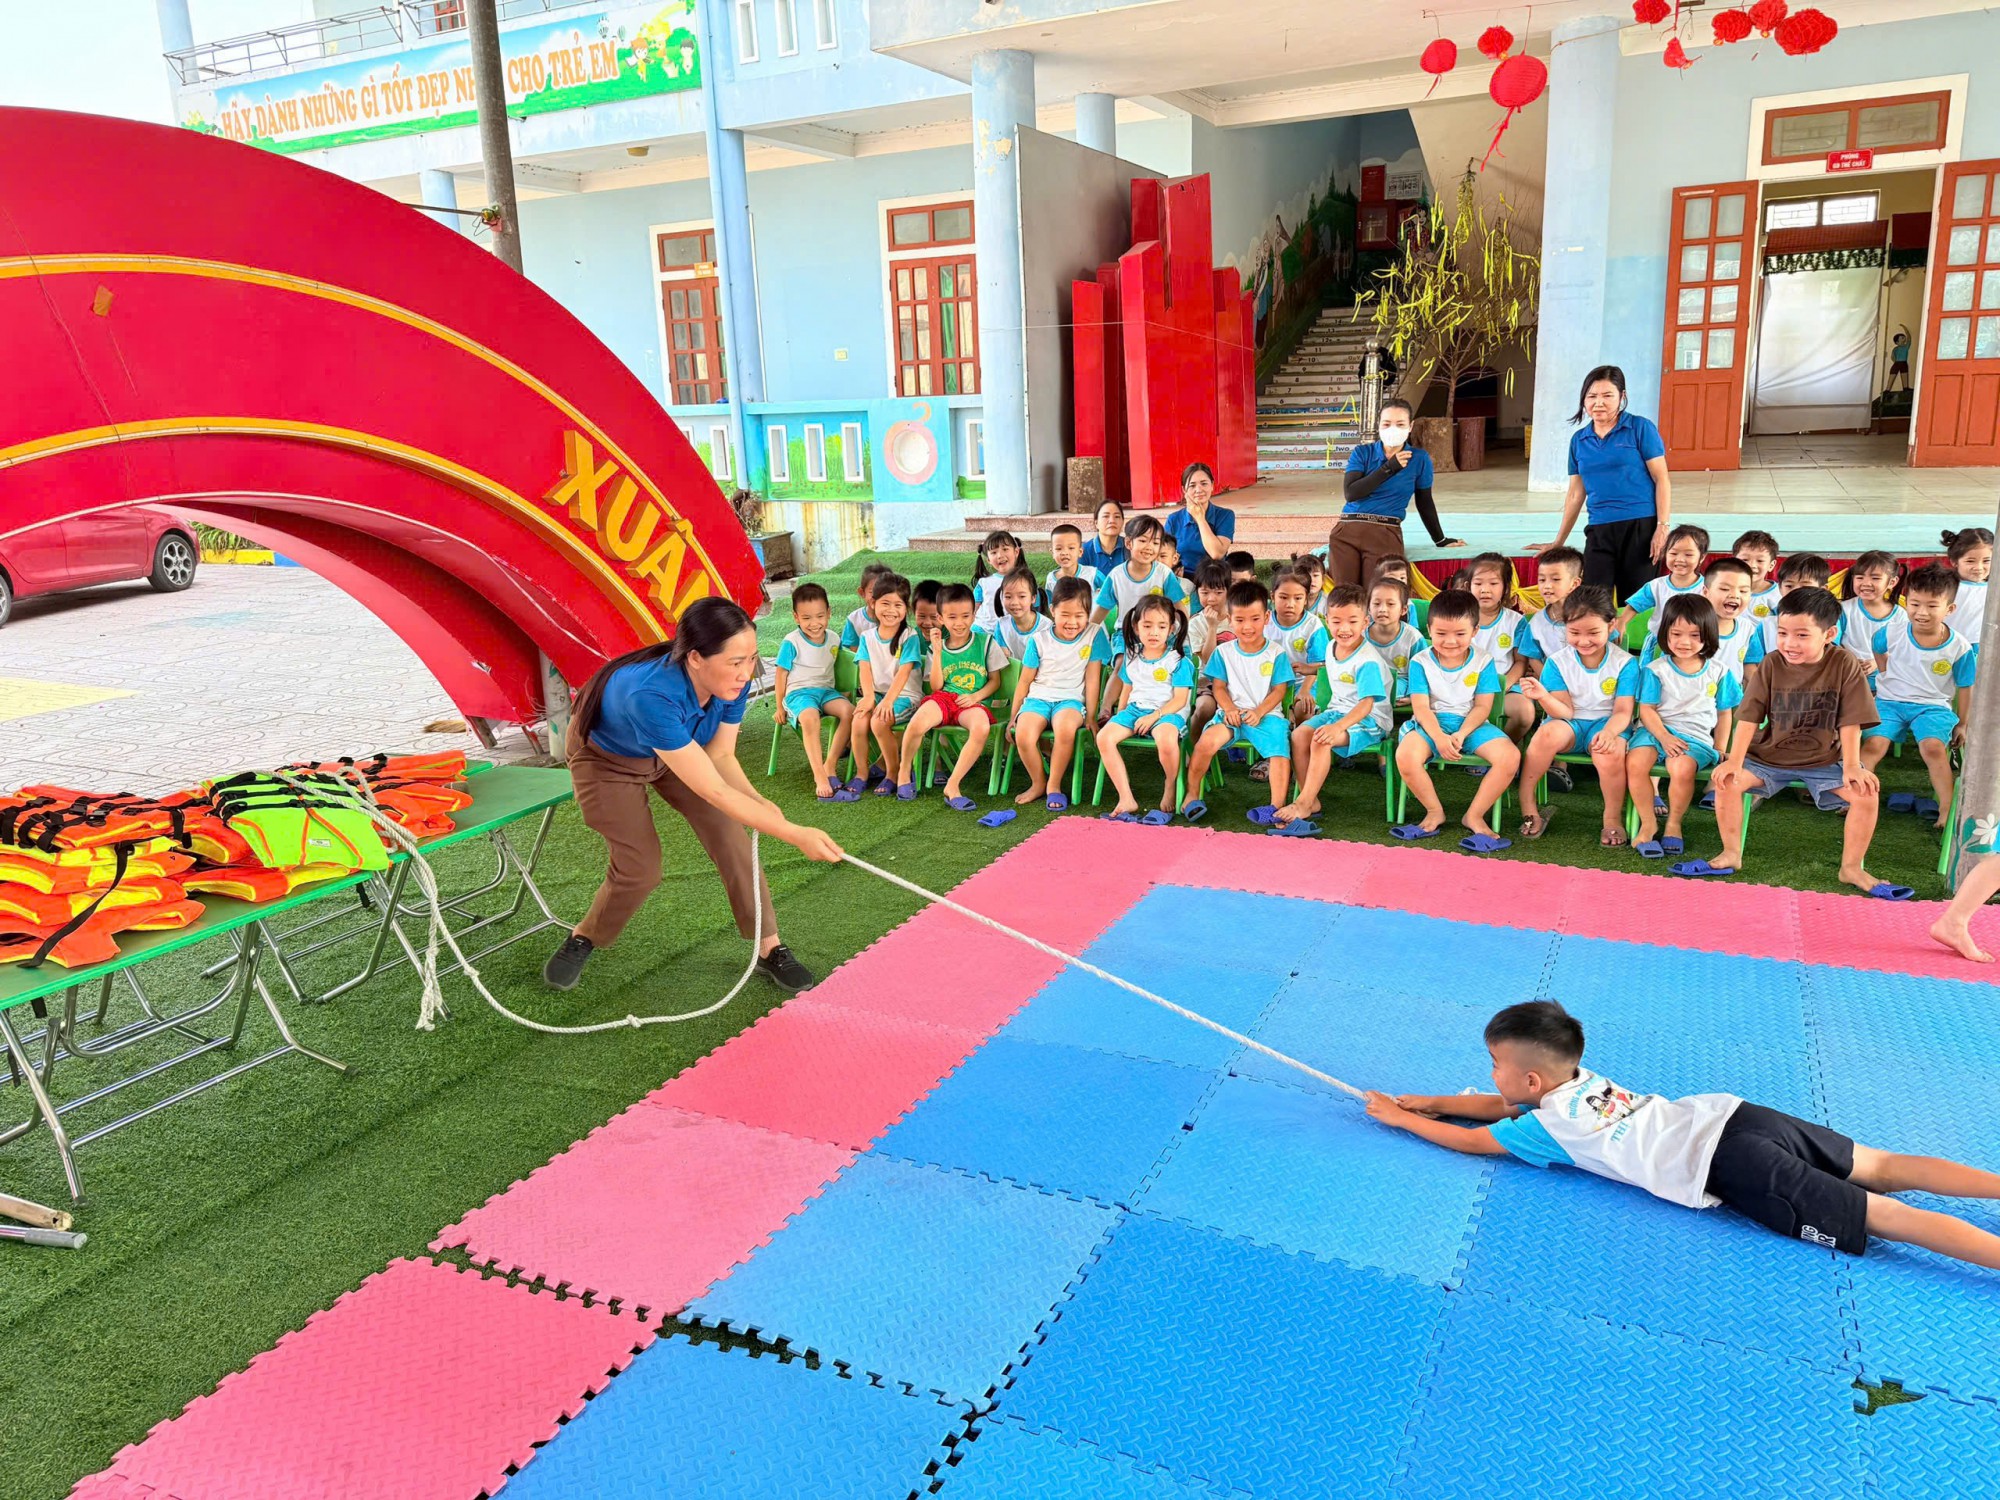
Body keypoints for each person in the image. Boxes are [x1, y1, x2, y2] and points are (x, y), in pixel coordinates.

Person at [1365, 1001, 2000, 1272]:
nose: (1490, 1076)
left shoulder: (1550, 1128)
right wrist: (1433, 1101)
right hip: (1737, 1117)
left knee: (1889, 1217)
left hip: (1729, 1162)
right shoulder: (1579, 1080)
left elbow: (1478, 1139)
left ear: (1532, 1078)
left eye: (1493, 1064)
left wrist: (1402, 1120)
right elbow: (1500, 1106)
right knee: (1883, 1166)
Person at [542, 597, 843, 993]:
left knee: (731, 835)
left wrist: (756, 799)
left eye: (752, 659)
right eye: (735, 661)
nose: (746, 672)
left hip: (680, 750)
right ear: (696, 658)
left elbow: (720, 756)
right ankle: (585, 936)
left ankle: (768, 946)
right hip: (607, 760)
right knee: (640, 868)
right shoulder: (650, 695)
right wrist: (795, 834)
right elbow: (712, 788)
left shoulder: (731, 681)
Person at [1674, 587, 1900, 898]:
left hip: (1824, 760)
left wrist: (1852, 766)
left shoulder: (1844, 663)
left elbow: (1851, 722)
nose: (1789, 643)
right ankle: (1730, 854)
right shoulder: (1770, 663)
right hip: (1769, 757)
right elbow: (1748, 719)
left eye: (1801, 635)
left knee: (1866, 793)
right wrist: (1734, 761)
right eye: (1782, 633)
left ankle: (1851, 868)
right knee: (1726, 781)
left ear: (1829, 634)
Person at [1393, 588, 1520, 852]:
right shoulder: (1420, 662)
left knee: (1510, 757)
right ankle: (1434, 811)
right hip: (1431, 723)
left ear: (1475, 631)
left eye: (1460, 634)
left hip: (1472, 724)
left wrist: (1461, 733)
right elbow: (1421, 707)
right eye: (1441, 633)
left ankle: (1474, 815)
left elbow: (1483, 706)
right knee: (1405, 755)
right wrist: (1439, 737)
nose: (1450, 641)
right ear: (1429, 629)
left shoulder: (1484, 661)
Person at [1536, 365, 1673, 602]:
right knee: (1594, 601)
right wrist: (1559, 541)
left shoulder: (1640, 428)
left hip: (1640, 527)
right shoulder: (1579, 440)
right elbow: (1575, 494)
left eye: (1607, 395)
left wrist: (1662, 526)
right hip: (1599, 529)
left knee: (1636, 602)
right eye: (1592, 396)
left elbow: (1661, 479)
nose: (1598, 403)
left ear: (1622, 396)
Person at [1516, 586, 1639, 846]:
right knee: (1545, 734)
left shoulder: (1625, 663)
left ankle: (1612, 818)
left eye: (1593, 632)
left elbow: (1623, 711)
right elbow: (1564, 711)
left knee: (1609, 751)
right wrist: (1543, 696)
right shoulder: (1557, 662)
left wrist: (1609, 733)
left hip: (1607, 724)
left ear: (1611, 625)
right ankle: (1528, 808)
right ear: (1565, 627)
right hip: (1568, 723)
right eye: (1574, 633)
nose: (1583, 641)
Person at [1862, 562, 1976, 832]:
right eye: (1914, 604)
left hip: (1932, 708)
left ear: (1949, 609)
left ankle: (1946, 808)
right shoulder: (1892, 631)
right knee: (1873, 745)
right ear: (1907, 602)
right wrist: (1884, 672)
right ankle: (1856, 799)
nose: (1921, 612)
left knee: (1933, 749)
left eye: (1932, 605)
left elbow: (1966, 686)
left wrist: (1963, 723)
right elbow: (1878, 647)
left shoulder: (1959, 647)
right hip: (1889, 702)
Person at [1627, 593, 1741, 858]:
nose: (1684, 642)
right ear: (1665, 633)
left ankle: (1674, 824)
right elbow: (1647, 710)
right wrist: (1664, 737)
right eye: (1676, 634)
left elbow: (1725, 713)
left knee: (1682, 768)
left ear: (1708, 636)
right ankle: (1648, 823)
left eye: (1694, 635)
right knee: (1635, 763)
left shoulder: (1719, 671)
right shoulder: (1656, 669)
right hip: (1654, 731)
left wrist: (1720, 747)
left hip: (1694, 737)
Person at [1275, 584, 1392, 829]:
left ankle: (1303, 803)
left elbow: (1366, 704)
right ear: (1327, 620)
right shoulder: (1331, 646)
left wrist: (1337, 727)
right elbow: (1334, 667)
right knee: (1298, 735)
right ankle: (1310, 799)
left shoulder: (1368, 661)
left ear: (1365, 622)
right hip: (1338, 712)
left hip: (1370, 720)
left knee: (1321, 739)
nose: (1344, 628)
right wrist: (1310, 669)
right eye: (1337, 621)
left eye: (1352, 621)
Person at [1183, 579, 1294, 823]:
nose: (1247, 626)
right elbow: (1218, 687)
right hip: (1230, 715)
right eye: (1240, 620)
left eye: (1255, 619)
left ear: (1266, 617)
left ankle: (1277, 807)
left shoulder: (1276, 653)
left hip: (1266, 716)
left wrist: (1259, 711)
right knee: (1205, 743)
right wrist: (1229, 708)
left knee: (1279, 752)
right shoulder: (1223, 652)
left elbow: (1279, 691)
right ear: (1230, 620)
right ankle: (1191, 795)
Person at [1328, 398, 1463, 590]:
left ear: (1410, 426)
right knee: (1344, 595)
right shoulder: (1362, 452)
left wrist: (1439, 539)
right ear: (1379, 425)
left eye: (1400, 424)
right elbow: (1351, 493)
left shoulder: (1419, 458)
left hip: (1385, 531)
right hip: (1347, 529)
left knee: (1379, 593)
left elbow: (1424, 501)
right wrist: (1389, 468)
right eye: (1386, 424)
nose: (1393, 429)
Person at [897, 583, 1009, 808]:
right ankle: (903, 772)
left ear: (974, 614)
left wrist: (976, 697)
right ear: (940, 618)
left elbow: (995, 681)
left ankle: (953, 785)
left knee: (981, 727)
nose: (960, 623)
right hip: (944, 697)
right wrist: (938, 652)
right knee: (917, 723)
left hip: (972, 700)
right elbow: (936, 686)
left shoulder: (985, 642)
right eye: (952, 617)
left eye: (966, 616)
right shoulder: (936, 647)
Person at [1096, 596, 1197, 826]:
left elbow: (1180, 700)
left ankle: (1170, 784)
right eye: (1147, 625)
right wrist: (1120, 716)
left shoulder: (1178, 660)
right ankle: (1126, 798)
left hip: (1168, 712)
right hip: (1135, 710)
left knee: (1166, 739)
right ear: (1136, 627)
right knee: (1104, 737)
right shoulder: (1131, 656)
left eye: (1161, 626)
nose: (1154, 632)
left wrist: (1154, 716)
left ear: (1171, 629)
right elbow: (1127, 689)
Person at [1010, 577, 1108, 810]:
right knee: (1023, 735)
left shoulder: (1094, 634)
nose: (1072, 622)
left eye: (1079, 615)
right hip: (1038, 698)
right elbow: (1025, 681)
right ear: (1053, 610)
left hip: (1071, 700)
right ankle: (1038, 783)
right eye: (1065, 614)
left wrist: (1091, 715)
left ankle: (1054, 786)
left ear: (1088, 613)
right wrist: (1014, 715)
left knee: (1065, 730)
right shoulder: (1039, 640)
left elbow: (1092, 679)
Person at [771, 583, 857, 803]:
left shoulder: (834, 638)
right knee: (810, 717)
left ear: (829, 613)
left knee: (850, 712)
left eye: (819, 616)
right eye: (806, 618)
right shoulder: (791, 641)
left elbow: (841, 668)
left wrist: (844, 694)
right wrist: (779, 706)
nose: (814, 623)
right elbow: (780, 675)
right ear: (796, 617)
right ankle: (820, 777)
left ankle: (830, 765)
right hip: (798, 694)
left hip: (826, 692)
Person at [850, 574, 921, 796]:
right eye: (885, 603)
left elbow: (904, 672)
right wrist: (868, 697)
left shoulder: (909, 636)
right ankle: (862, 773)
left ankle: (892, 772)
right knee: (858, 720)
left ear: (906, 608)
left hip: (905, 697)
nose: (891, 610)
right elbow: (864, 669)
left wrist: (888, 701)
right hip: (879, 695)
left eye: (898, 605)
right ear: (873, 603)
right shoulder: (867, 637)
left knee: (879, 722)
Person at [1467, 553, 1531, 743]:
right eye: (1478, 583)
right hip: (1466, 687)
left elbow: (1520, 662)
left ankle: (1501, 746)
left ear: (1505, 588)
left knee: (1524, 713)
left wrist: (1503, 686)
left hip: (1505, 687)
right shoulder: (1460, 618)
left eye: (1493, 583)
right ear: (1468, 586)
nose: (1485, 590)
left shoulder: (1516, 621)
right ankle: (1472, 744)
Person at [1616, 523, 1709, 651]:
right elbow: (1635, 605)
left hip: (1690, 646)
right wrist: (1621, 622)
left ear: (1702, 557)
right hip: (1658, 644)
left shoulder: (1707, 589)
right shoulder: (1656, 586)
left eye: (1688, 555)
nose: (1680, 559)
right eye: (1673, 553)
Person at [1093, 515, 1189, 629]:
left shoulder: (1164, 574)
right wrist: (1085, 635)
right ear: (1128, 543)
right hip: (1126, 633)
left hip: (1157, 633)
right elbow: (1101, 611)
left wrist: (1183, 633)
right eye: (1143, 540)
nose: (1149, 547)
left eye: (1155, 543)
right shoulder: (1116, 575)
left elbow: (1180, 609)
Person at [1265, 567, 1330, 727]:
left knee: (1304, 708)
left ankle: (1299, 735)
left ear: (1306, 598)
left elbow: (1319, 666)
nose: (1290, 604)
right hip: (1268, 682)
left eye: (1298, 598)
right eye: (1283, 597)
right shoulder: (1264, 621)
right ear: (1272, 597)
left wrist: (1305, 690)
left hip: (1304, 682)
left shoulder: (1312, 625)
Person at [1838, 550, 1905, 681]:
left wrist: (1877, 662)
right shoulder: (1843, 610)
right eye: (1860, 577)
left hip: (1888, 681)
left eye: (1875, 578)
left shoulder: (1901, 616)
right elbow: (1831, 644)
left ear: (1892, 582)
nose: (1866, 583)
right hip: (1848, 677)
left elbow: (1903, 651)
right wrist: (1850, 660)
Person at [1159, 461, 1236, 570]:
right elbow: (1164, 556)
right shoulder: (1174, 519)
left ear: (1212, 485)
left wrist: (1200, 518)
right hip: (1182, 577)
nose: (1199, 490)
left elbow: (1216, 554)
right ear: (1184, 490)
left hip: (1212, 578)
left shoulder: (1225, 515)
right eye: (1192, 485)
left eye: (1204, 484)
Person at [1755, 554, 1833, 659]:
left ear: (1823, 589)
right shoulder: (1766, 625)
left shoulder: (1830, 622)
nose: (1795, 591)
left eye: (1805, 586)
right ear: (1780, 588)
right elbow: (1752, 662)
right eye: (1789, 586)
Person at [1365, 572, 1423, 704]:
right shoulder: (1361, 634)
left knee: (1383, 693)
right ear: (1368, 608)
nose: (1382, 609)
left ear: (1403, 610)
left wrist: (1414, 696)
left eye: (1390, 604)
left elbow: (1422, 669)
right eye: (1376, 603)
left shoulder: (1413, 638)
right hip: (1368, 678)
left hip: (1400, 680)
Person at [1943, 526, 1993, 646]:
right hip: (1950, 645)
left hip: (1984, 646)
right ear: (1954, 561)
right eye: (1970, 561)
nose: (1979, 567)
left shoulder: (1994, 589)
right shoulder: (1944, 587)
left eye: (1986, 561)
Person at [971, 531, 1025, 630]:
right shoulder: (984, 582)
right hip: (982, 628)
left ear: (1016, 552)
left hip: (1009, 630)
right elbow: (974, 608)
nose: (1000, 555)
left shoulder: (1024, 581)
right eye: (994, 552)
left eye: (1005, 549)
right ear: (988, 560)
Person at [992, 568, 1048, 662]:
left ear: (1033, 598)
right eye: (1008, 597)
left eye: (1022, 596)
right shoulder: (1002, 626)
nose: (1014, 602)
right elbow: (1001, 659)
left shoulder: (1046, 627)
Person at [1043, 521, 1101, 601]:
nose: (1064, 553)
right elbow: (1051, 604)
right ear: (1052, 553)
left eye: (1071, 548)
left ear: (1080, 552)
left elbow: (1110, 594)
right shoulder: (1051, 580)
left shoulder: (1092, 574)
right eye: (1059, 549)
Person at [840, 562, 894, 649]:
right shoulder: (854, 620)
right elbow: (852, 651)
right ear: (862, 593)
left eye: (886, 592)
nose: (879, 597)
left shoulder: (895, 618)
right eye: (873, 591)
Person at [1733, 529, 1782, 624]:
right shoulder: (1724, 590)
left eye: (1760, 561)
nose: (1751, 565)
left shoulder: (1777, 596)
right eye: (1745, 559)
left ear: (1771, 565)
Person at [1080, 499, 1127, 573]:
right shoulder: (1084, 551)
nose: (1112, 521)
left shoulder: (1130, 547)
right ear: (1096, 523)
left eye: (1117, 516)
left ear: (1122, 522)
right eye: (1106, 516)